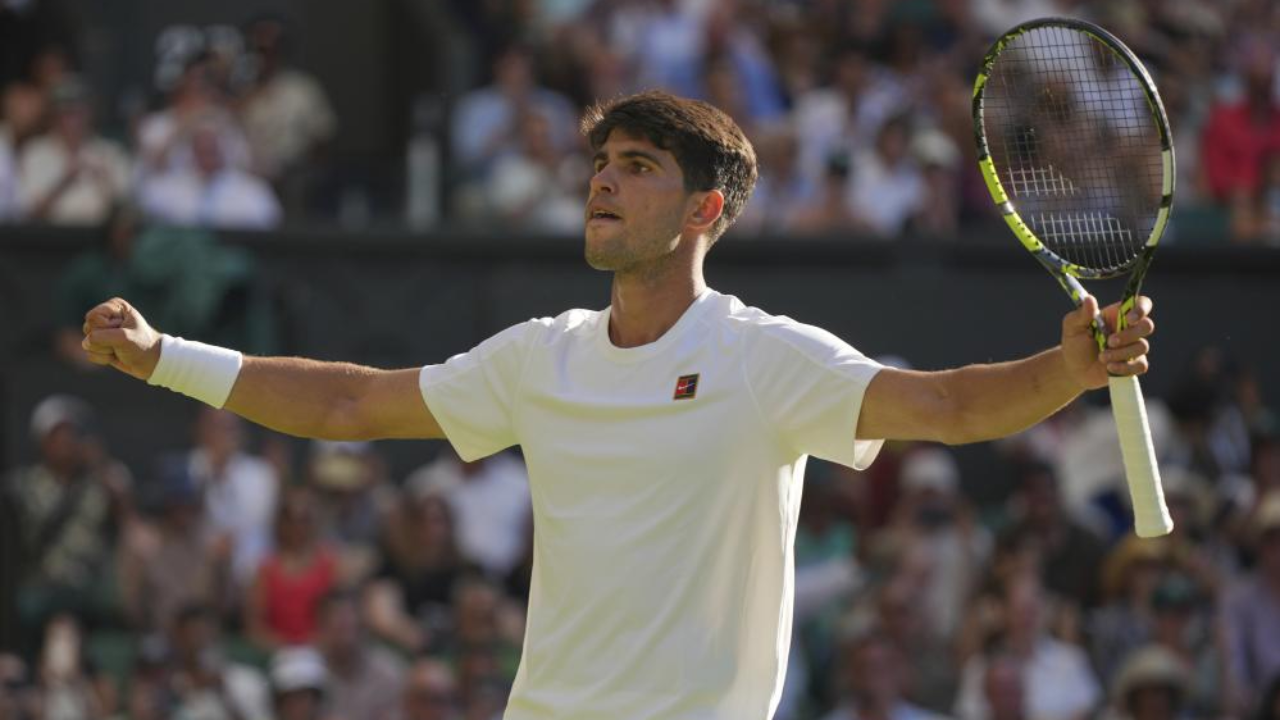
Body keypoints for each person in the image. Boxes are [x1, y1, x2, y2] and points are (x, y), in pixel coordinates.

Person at [80, 91, 1158, 720]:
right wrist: (165, 357)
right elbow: (352, 405)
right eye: (599, 162)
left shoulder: (763, 358)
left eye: (633, 166)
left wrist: (1065, 371)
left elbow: (949, 408)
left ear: (702, 208)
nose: (600, 180)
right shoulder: (539, 357)